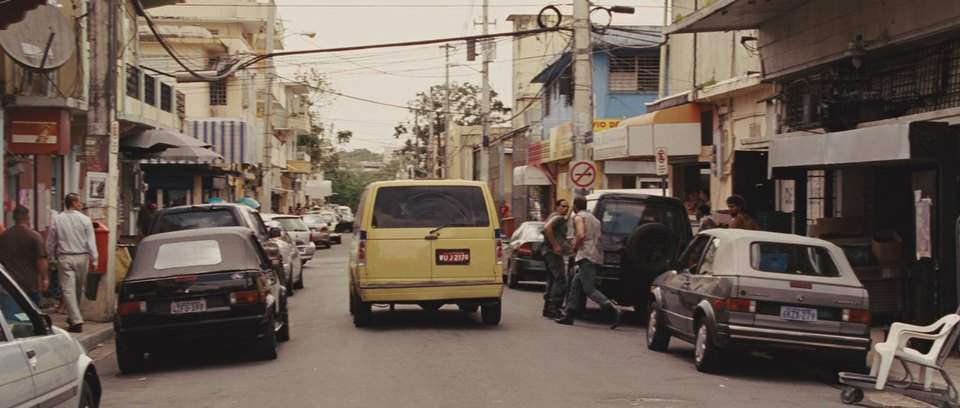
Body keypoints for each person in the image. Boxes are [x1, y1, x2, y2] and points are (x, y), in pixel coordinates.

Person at [556, 196, 625, 329]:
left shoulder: (578, 217)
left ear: (575, 207)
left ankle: (614, 308)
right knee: (576, 284)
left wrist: (575, 247)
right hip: (595, 255)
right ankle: (569, 315)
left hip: (585, 255)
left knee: (589, 289)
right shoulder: (596, 220)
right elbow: (599, 239)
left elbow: (581, 234)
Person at [45, 193, 98, 333]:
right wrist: (95, 258)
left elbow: (51, 240)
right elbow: (90, 241)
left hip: (65, 257)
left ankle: (73, 316)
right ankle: (76, 320)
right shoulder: (85, 220)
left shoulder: (57, 220)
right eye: (79, 202)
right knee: (78, 289)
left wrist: (50, 256)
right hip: (82, 257)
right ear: (74, 203)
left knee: (69, 290)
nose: (81, 204)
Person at [0, 206, 49, 304]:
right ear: (27, 217)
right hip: (30, 284)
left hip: (10, 284)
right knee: (32, 313)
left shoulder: (4, 236)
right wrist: (45, 279)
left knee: (13, 314)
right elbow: (41, 260)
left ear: (14, 218)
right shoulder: (34, 236)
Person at [540, 199, 571, 319]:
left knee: (552, 279)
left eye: (567, 207)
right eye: (563, 206)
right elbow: (547, 228)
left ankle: (547, 307)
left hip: (548, 252)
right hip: (552, 252)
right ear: (557, 207)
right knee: (560, 279)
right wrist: (555, 245)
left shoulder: (554, 217)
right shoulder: (558, 217)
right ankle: (554, 307)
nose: (565, 209)